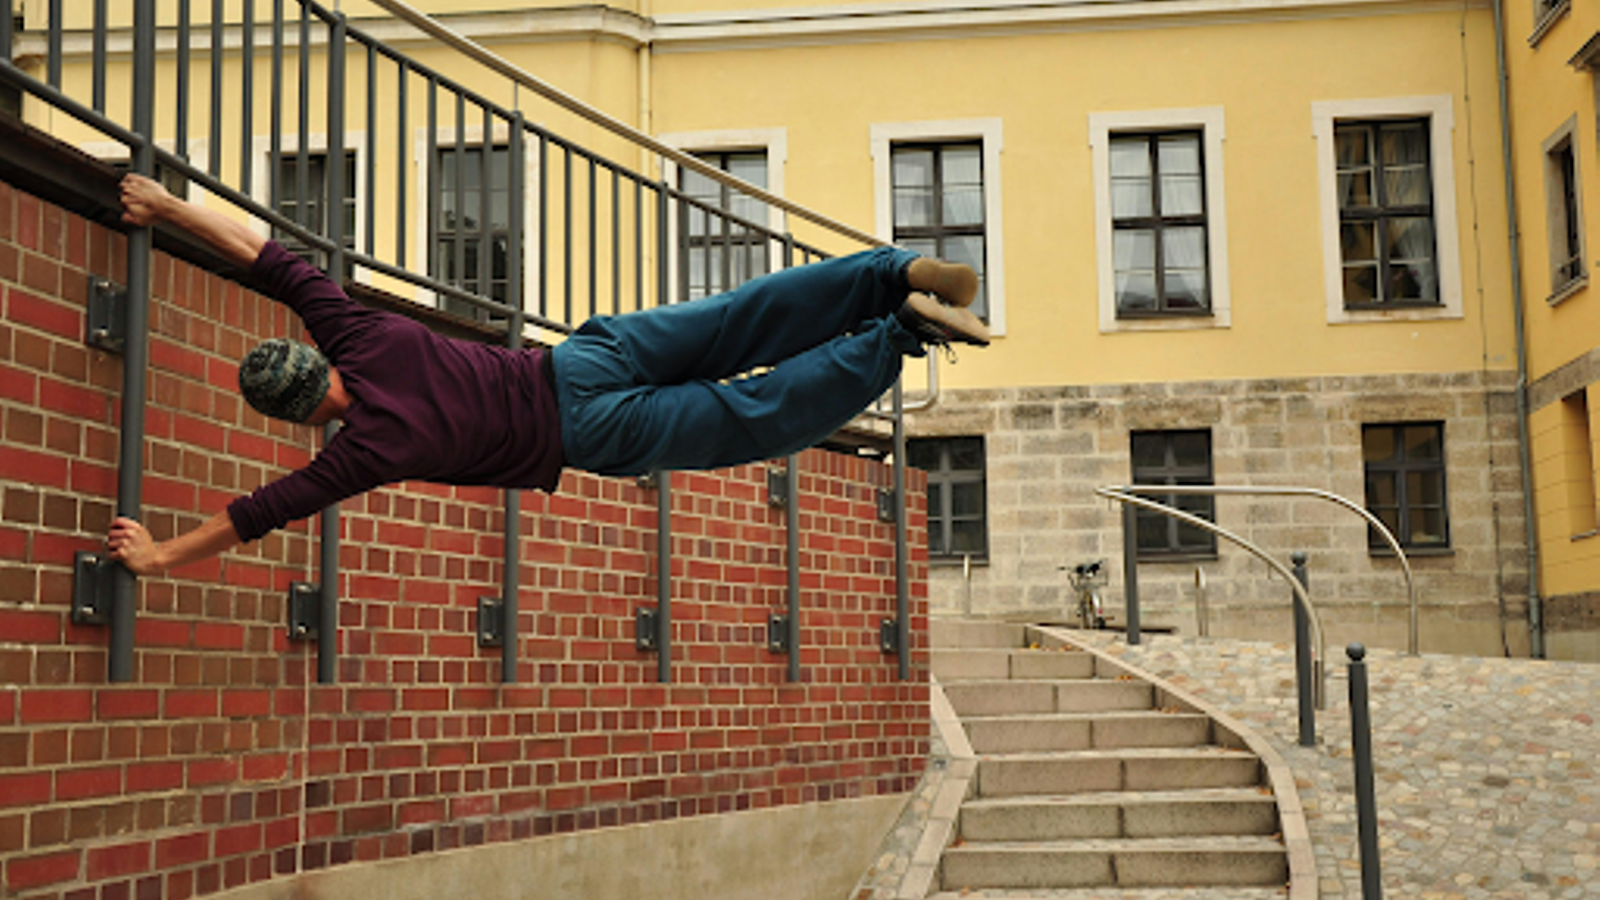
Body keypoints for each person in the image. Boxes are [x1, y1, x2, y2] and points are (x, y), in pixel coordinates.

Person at [105, 174, 988, 575]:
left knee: (751, 415)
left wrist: (155, 555)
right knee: (738, 317)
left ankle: (897, 335)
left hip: (588, 432)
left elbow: (248, 517)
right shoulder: (357, 332)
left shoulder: (364, 449)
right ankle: (890, 275)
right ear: (314, 358)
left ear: (303, 415)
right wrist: (165, 204)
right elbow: (271, 256)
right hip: (584, 357)